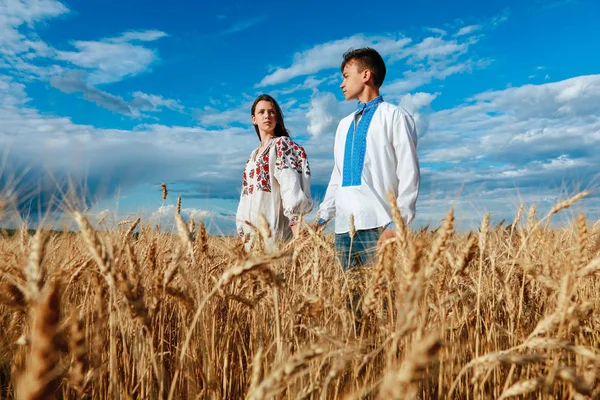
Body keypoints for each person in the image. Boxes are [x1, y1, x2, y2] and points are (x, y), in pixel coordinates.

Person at [317, 47, 420, 270]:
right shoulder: (343, 125)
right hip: (344, 230)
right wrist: (322, 218)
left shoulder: (395, 116)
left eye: (346, 76)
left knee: (384, 300)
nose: (341, 84)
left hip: (380, 226)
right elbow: (338, 175)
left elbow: (409, 173)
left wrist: (396, 225)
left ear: (366, 75)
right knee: (348, 301)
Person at [236, 94, 313, 251]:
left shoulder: (281, 145)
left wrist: (296, 228)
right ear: (253, 119)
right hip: (251, 235)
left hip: (274, 231)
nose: (267, 116)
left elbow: (290, 186)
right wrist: (241, 231)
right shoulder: (252, 156)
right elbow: (245, 196)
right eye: (261, 112)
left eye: (271, 112)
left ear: (277, 117)